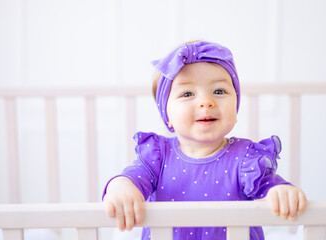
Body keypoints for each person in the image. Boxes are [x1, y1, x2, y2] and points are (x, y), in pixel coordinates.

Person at [102, 40, 307, 240]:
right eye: (187, 93)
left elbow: (269, 187)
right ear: (167, 116)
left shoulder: (246, 159)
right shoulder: (157, 155)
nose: (206, 102)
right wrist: (121, 186)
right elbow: (133, 177)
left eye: (219, 91)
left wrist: (281, 192)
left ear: (235, 108)